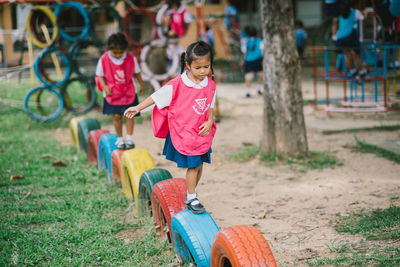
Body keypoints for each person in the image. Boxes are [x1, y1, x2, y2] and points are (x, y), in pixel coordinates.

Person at [124, 41, 216, 214]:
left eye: (206, 66)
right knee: (193, 166)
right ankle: (191, 197)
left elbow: (210, 101)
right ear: (188, 65)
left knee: (200, 165)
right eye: (198, 68)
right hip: (185, 132)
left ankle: (190, 193)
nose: (203, 71)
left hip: (201, 133)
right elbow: (156, 97)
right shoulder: (178, 85)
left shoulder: (209, 83)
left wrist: (210, 120)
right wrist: (138, 108)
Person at [95, 33, 145, 150]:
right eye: (114, 53)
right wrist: (104, 87)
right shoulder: (103, 59)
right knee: (117, 116)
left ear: (125, 50)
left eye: (120, 52)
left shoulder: (130, 58)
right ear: (109, 50)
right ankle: (120, 138)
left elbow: (137, 73)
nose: (117, 55)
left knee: (129, 115)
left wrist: (141, 85)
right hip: (113, 93)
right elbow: (100, 75)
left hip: (128, 91)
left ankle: (129, 138)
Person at [334, 0, 368, 79]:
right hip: (349, 37)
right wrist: (365, 13)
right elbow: (363, 19)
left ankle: (352, 70)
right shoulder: (355, 12)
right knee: (355, 54)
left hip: (340, 38)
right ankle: (361, 72)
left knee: (346, 54)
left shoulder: (341, 13)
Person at [241, 25, 263, 98]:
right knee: (260, 75)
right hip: (258, 60)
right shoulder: (260, 41)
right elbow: (263, 51)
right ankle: (259, 89)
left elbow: (244, 52)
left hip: (249, 60)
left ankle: (247, 91)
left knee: (249, 76)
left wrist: (242, 61)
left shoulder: (246, 41)